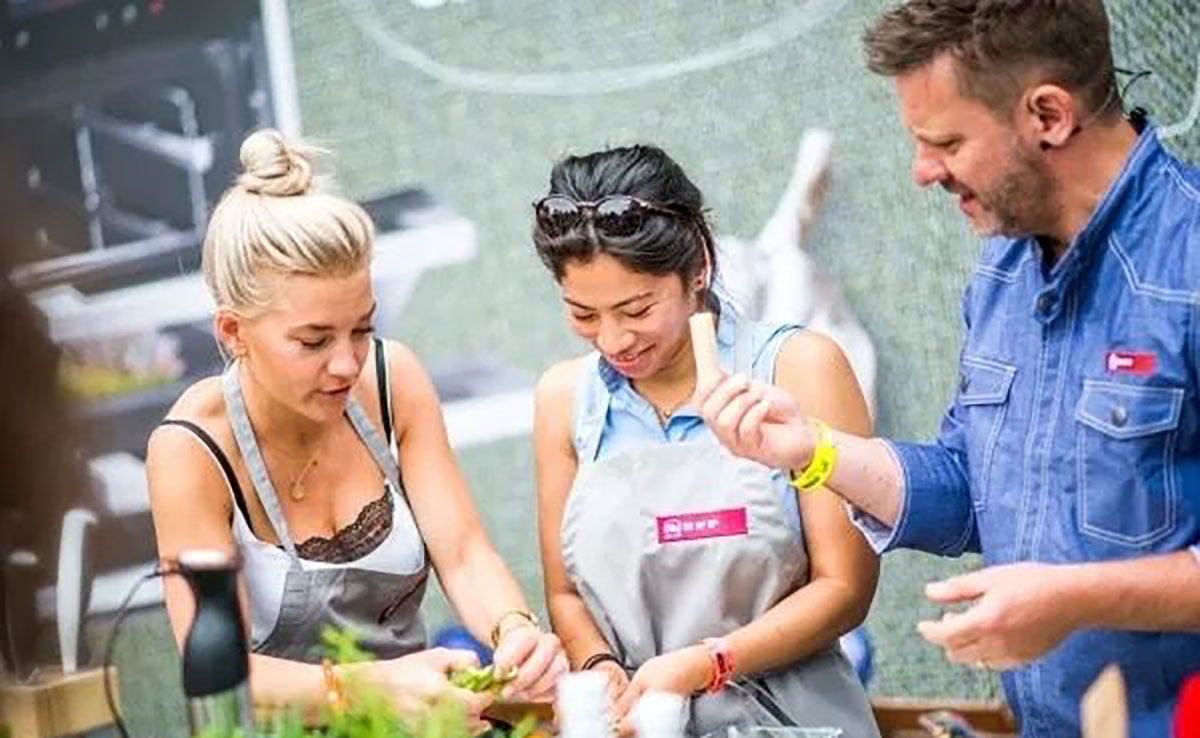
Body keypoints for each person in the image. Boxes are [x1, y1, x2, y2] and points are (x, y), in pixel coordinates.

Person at [696, 1, 1200, 735]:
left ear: (1049, 115)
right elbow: (970, 486)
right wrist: (813, 449)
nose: (922, 172)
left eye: (946, 143)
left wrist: (1075, 599)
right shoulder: (1002, 272)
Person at [146, 129, 566, 720]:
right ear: (233, 332)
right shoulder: (191, 451)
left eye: (362, 329)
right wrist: (374, 687)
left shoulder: (394, 381)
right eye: (313, 341)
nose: (346, 363)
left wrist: (514, 631)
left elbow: (464, 553)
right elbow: (223, 672)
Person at [530, 144, 881, 737]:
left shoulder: (800, 367)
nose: (613, 340)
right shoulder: (564, 399)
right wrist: (599, 668)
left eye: (636, 309)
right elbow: (565, 594)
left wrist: (707, 665)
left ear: (699, 268)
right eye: (584, 314)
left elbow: (845, 587)